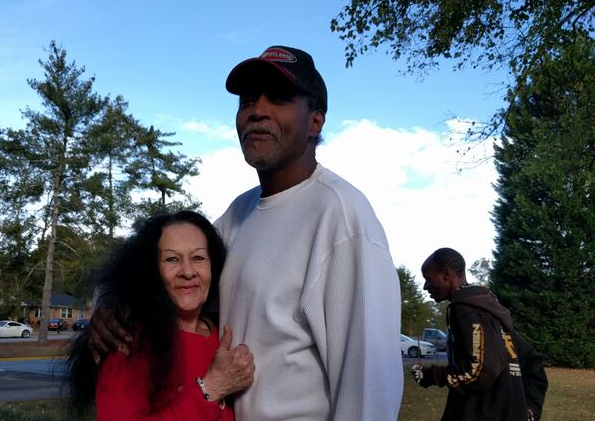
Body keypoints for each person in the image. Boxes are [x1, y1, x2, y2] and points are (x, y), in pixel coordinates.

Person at [89, 45, 403, 420]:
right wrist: (111, 302)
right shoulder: (239, 212)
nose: (257, 111)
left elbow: (368, 390)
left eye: (279, 98)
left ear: (315, 122)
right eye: (248, 100)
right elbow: (169, 272)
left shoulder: (342, 216)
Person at [65, 211, 255, 420]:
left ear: (213, 267)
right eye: (172, 259)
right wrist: (212, 388)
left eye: (198, 258)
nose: (188, 271)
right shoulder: (127, 341)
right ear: (152, 271)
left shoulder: (222, 333)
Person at [412, 247, 548, 421]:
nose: (425, 286)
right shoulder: (491, 313)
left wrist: (431, 375)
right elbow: (532, 360)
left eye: (428, 278)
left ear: (446, 274)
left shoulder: (468, 310)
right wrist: (530, 408)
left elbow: (478, 370)